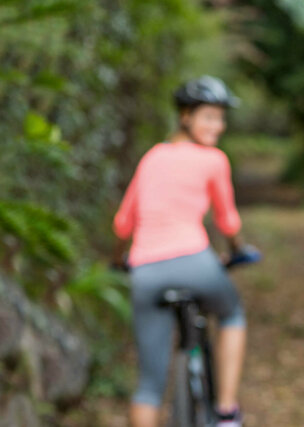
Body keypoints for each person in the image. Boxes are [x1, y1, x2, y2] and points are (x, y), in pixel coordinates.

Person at [112, 75, 250, 427]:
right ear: (185, 116)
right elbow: (228, 222)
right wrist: (236, 250)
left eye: (221, 118)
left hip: (145, 270)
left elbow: (123, 224)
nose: (217, 126)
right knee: (232, 315)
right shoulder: (214, 159)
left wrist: (118, 259)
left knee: (148, 386)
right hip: (196, 261)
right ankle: (226, 412)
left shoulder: (152, 157)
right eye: (209, 117)